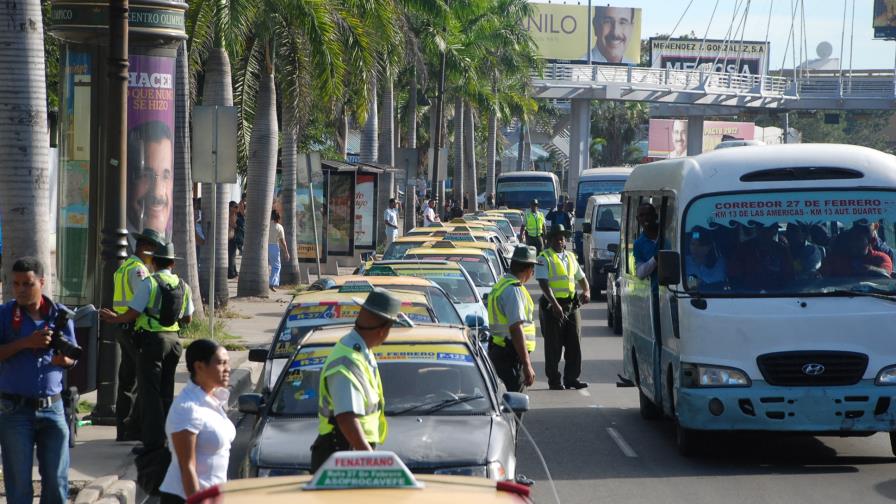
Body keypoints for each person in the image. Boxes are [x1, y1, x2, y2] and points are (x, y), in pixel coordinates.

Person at [100, 241, 194, 455]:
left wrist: (115, 319)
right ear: (172, 263)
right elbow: (188, 318)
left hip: (152, 342)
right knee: (166, 391)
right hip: (175, 342)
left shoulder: (149, 283)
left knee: (149, 393)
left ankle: (152, 442)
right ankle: (170, 438)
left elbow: (133, 312)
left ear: (153, 262)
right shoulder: (183, 285)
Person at [0, 257, 77, 504]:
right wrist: (26, 343)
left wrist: (62, 361)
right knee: (19, 485)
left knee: (57, 483)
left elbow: (72, 357)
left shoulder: (60, 315)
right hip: (14, 410)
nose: (21, 289)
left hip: (53, 409)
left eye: (27, 283)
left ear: (41, 282)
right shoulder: (4, 315)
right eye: (16, 284)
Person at [310, 288, 400, 472]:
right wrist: (369, 458)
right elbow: (345, 417)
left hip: (350, 453)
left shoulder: (360, 352)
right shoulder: (348, 361)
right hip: (344, 455)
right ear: (383, 331)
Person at [158, 340, 235, 504]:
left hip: (213, 496)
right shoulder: (187, 408)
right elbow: (187, 467)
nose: (228, 369)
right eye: (221, 363)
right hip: (186, 498)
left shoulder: (213, 399)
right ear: (199, 367)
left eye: (228, 363)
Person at [112, 228, 165, 443]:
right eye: (153, 250)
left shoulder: (125, 267)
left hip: (123, 327)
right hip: (134, 327)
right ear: (144, 249)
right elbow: (141, 302)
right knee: (141, 380)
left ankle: (123, 429)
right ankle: (133, 428)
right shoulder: (139, 271)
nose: (155, 256)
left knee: (127, 379)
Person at [536, 225, 590, 390]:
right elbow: (543, 283)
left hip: (571, 305)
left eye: (562, 238)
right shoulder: (544, 257)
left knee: (575, 343)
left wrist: (586, 290)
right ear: (550, 240)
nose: (560, 241)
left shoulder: (571, 257)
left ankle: (572, 378)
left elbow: (581, 277)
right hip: (552, 307)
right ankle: (554, 380)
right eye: (557, 238)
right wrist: (554, 304)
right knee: (553, 345)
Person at [487, 246, 538, 393]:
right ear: (527, 269)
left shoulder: (501, 284)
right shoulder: (514, 290)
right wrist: (527, 364)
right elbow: (516, 328)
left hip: (500, 350)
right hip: (510, 355)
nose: (532, 273)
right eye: (532, 268)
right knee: (515, 404)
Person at [128, 120, 174, 237]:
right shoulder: (112, 245)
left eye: (165, 176)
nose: (158, 193)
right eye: (145, 175)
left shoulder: (175, 242)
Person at [727, 222, 795, 290]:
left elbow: (789, 276)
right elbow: (734, 278)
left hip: (778, 294)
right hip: (749, 295)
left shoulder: (781, 250)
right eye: (764, 229)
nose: (766, 232)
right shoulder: (743, 249)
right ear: (757, 230)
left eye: (772, 229)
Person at [821, 224, 893, 278]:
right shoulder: (834, 259)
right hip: (836, 295)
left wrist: (870, 269)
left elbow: (886, 273)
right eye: (851, 239)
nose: (853, 243)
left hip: (874, 295)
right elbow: (821, 276)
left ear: (871, 241)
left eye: (858, 239)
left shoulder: (881, 258)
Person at [633, 203, 660, 284]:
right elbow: (640, 273)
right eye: (641, 215)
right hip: (655, 292)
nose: (645, 218)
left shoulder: (667, 235)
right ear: (637, 219)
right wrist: (655, 259)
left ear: (656, 216)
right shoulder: (638, 244)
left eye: (648, 214)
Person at [268, 210, 289, 291]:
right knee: (276, 266)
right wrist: (286, 251)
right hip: (273, 246)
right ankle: (272, 283)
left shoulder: (267, 224)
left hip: (263, 247)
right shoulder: (279, 227)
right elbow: (282, 241)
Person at [227, 201, 239, 279]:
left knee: (232, 255)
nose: (236, 209)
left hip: (232, 236)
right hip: (230, 237)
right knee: (231, 255)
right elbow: (233, 224)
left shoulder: (233, 214)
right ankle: (231, 272)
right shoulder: (230, 214)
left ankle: (233, 271)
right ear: (231, 207)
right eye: (235, 207)